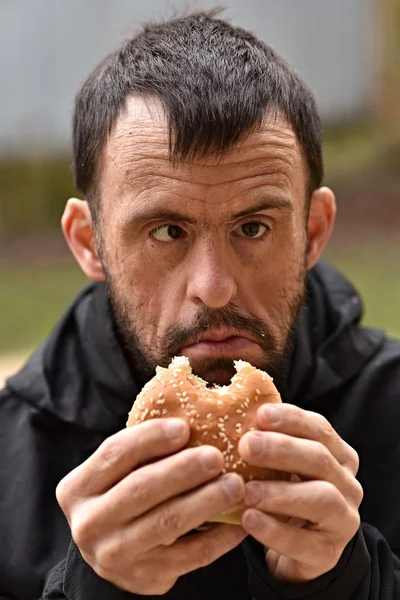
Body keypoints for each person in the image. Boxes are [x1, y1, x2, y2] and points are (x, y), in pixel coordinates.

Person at [1, 9, 399, 600]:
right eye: (167, 232)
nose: (213, 288)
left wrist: (347, 581)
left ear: (314, 230)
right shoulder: (11, 462)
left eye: (254, 228)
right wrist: (92, 589)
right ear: (90, 242)